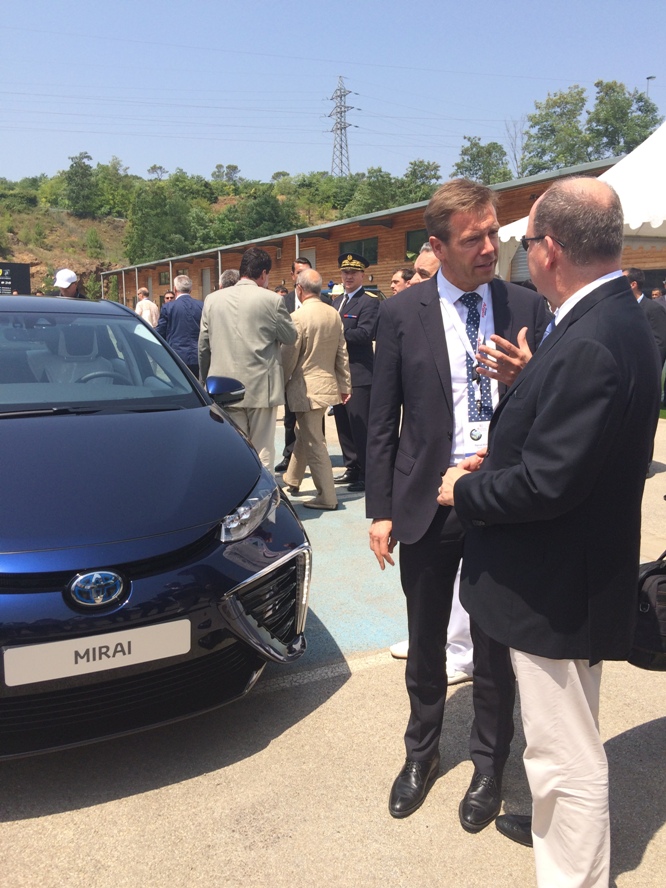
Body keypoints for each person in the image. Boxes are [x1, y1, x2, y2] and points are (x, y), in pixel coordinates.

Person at [439, 178, 661, 886]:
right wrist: (513, 431)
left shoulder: (594, 337)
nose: (520, 253)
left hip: (555, 587)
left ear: (550, 250)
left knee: (564, 756)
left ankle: (575, 876)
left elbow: (548, 485)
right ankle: (561, 845)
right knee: (566, 738)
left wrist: (464, 489)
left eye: (525, 240)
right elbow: (571, 439)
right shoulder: (606, 316)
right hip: (570, 576)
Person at [366, 178, 549, 824]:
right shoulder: (400, 313)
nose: (490, 248)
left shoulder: (525, 306)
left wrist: (528, 378)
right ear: (437, 246)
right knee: (426, 640)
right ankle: (421, 752)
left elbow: (552, 409)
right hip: (427, 499)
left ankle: (488, 766)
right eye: (474, 239)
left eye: (493, 233)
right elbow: (382, 422)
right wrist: (380, 509)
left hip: (498, 498)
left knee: (495, 645)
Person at [198, 247, 296, 471]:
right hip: (261, 386)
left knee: (234, 448)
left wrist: (205, 380)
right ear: (263, 273)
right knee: (262, 449)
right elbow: (290, 336)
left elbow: (203, 346)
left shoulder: (212, 300)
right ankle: (262, 491)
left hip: (223, 386)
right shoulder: (272, 300)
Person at [281, 269, 352, 511]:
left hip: (305, 389)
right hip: (326, 386)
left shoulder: (297, 317)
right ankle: (292, 478)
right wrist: (345, 385)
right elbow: (342, 353)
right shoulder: (333, 313)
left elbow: (288, 357)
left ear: (299, 289)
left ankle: (327, 497)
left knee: (315, 442)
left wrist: (280, 382)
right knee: (305, 432)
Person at [332, 252, 379, 493]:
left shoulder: (369, 302)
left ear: (362, 275)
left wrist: (335, 335)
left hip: (359, 373)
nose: (348, 276)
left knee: (360, 425)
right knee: (343, 424)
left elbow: (365, 334)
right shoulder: (336, 302)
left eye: (353, 272)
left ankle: (367, 473)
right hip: (338, 373)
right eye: (345, 272)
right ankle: (351, 467)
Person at [275, 257, 314, 473]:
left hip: (313, 370)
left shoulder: (323, 302)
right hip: (290, 370)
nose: (303, 276)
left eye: (307, 271)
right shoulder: (283, 303)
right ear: (292, 276)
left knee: (315, 420)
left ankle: (314, 456)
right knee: (290, 417)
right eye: (299, 272)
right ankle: (289, 455)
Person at [156, 276, 203, 377]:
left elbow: (160, 332)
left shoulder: (168, 307)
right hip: (198, 355)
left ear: (175, 289)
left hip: (176, 356)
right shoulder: (201, 306)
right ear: (191, 289)